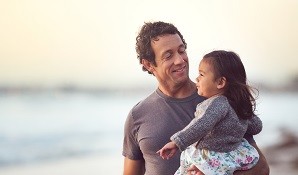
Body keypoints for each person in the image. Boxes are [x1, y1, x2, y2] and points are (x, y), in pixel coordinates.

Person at [122, 21, 269, 175]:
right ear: (149, 64)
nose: (180, 60)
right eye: (168, 55)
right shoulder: (137, 115)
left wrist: (215, 173)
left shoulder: (223, 101)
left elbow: (262, 169)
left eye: (181, 50)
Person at [157, 50, 262, 175]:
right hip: (230, 157)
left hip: (210, 157)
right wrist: (244, 115)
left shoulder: (217, 103)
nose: (197, 78)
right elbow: (256, 127)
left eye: (201, 74)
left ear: (220, 82)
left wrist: (176, 142)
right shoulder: (237, 105)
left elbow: (201, 124)